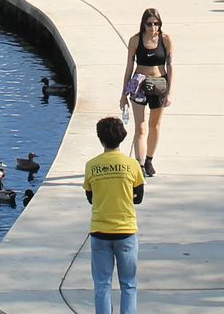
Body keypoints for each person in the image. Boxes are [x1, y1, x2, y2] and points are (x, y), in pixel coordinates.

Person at [84, 115, 145, 314]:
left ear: (100, 138)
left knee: (102, 284)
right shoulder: (133, 165)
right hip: (126, 231)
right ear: (122, 138)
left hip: (100, 230)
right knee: (128, 284)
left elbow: (90, 197)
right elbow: (138, 198)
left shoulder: (91, 165)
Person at [120, 8, 173, 178]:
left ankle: (149, 159)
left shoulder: (165, 40)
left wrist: (170, 91)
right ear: (143, 24)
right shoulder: (135, 40)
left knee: (155, 126)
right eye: (149, 24)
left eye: (156, 24)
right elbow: (129, 66)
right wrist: (123, 93)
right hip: (139, 83)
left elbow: (170, 66)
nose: (153, 27)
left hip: (159, 83)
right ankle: (139, 163)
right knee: (140, 127)